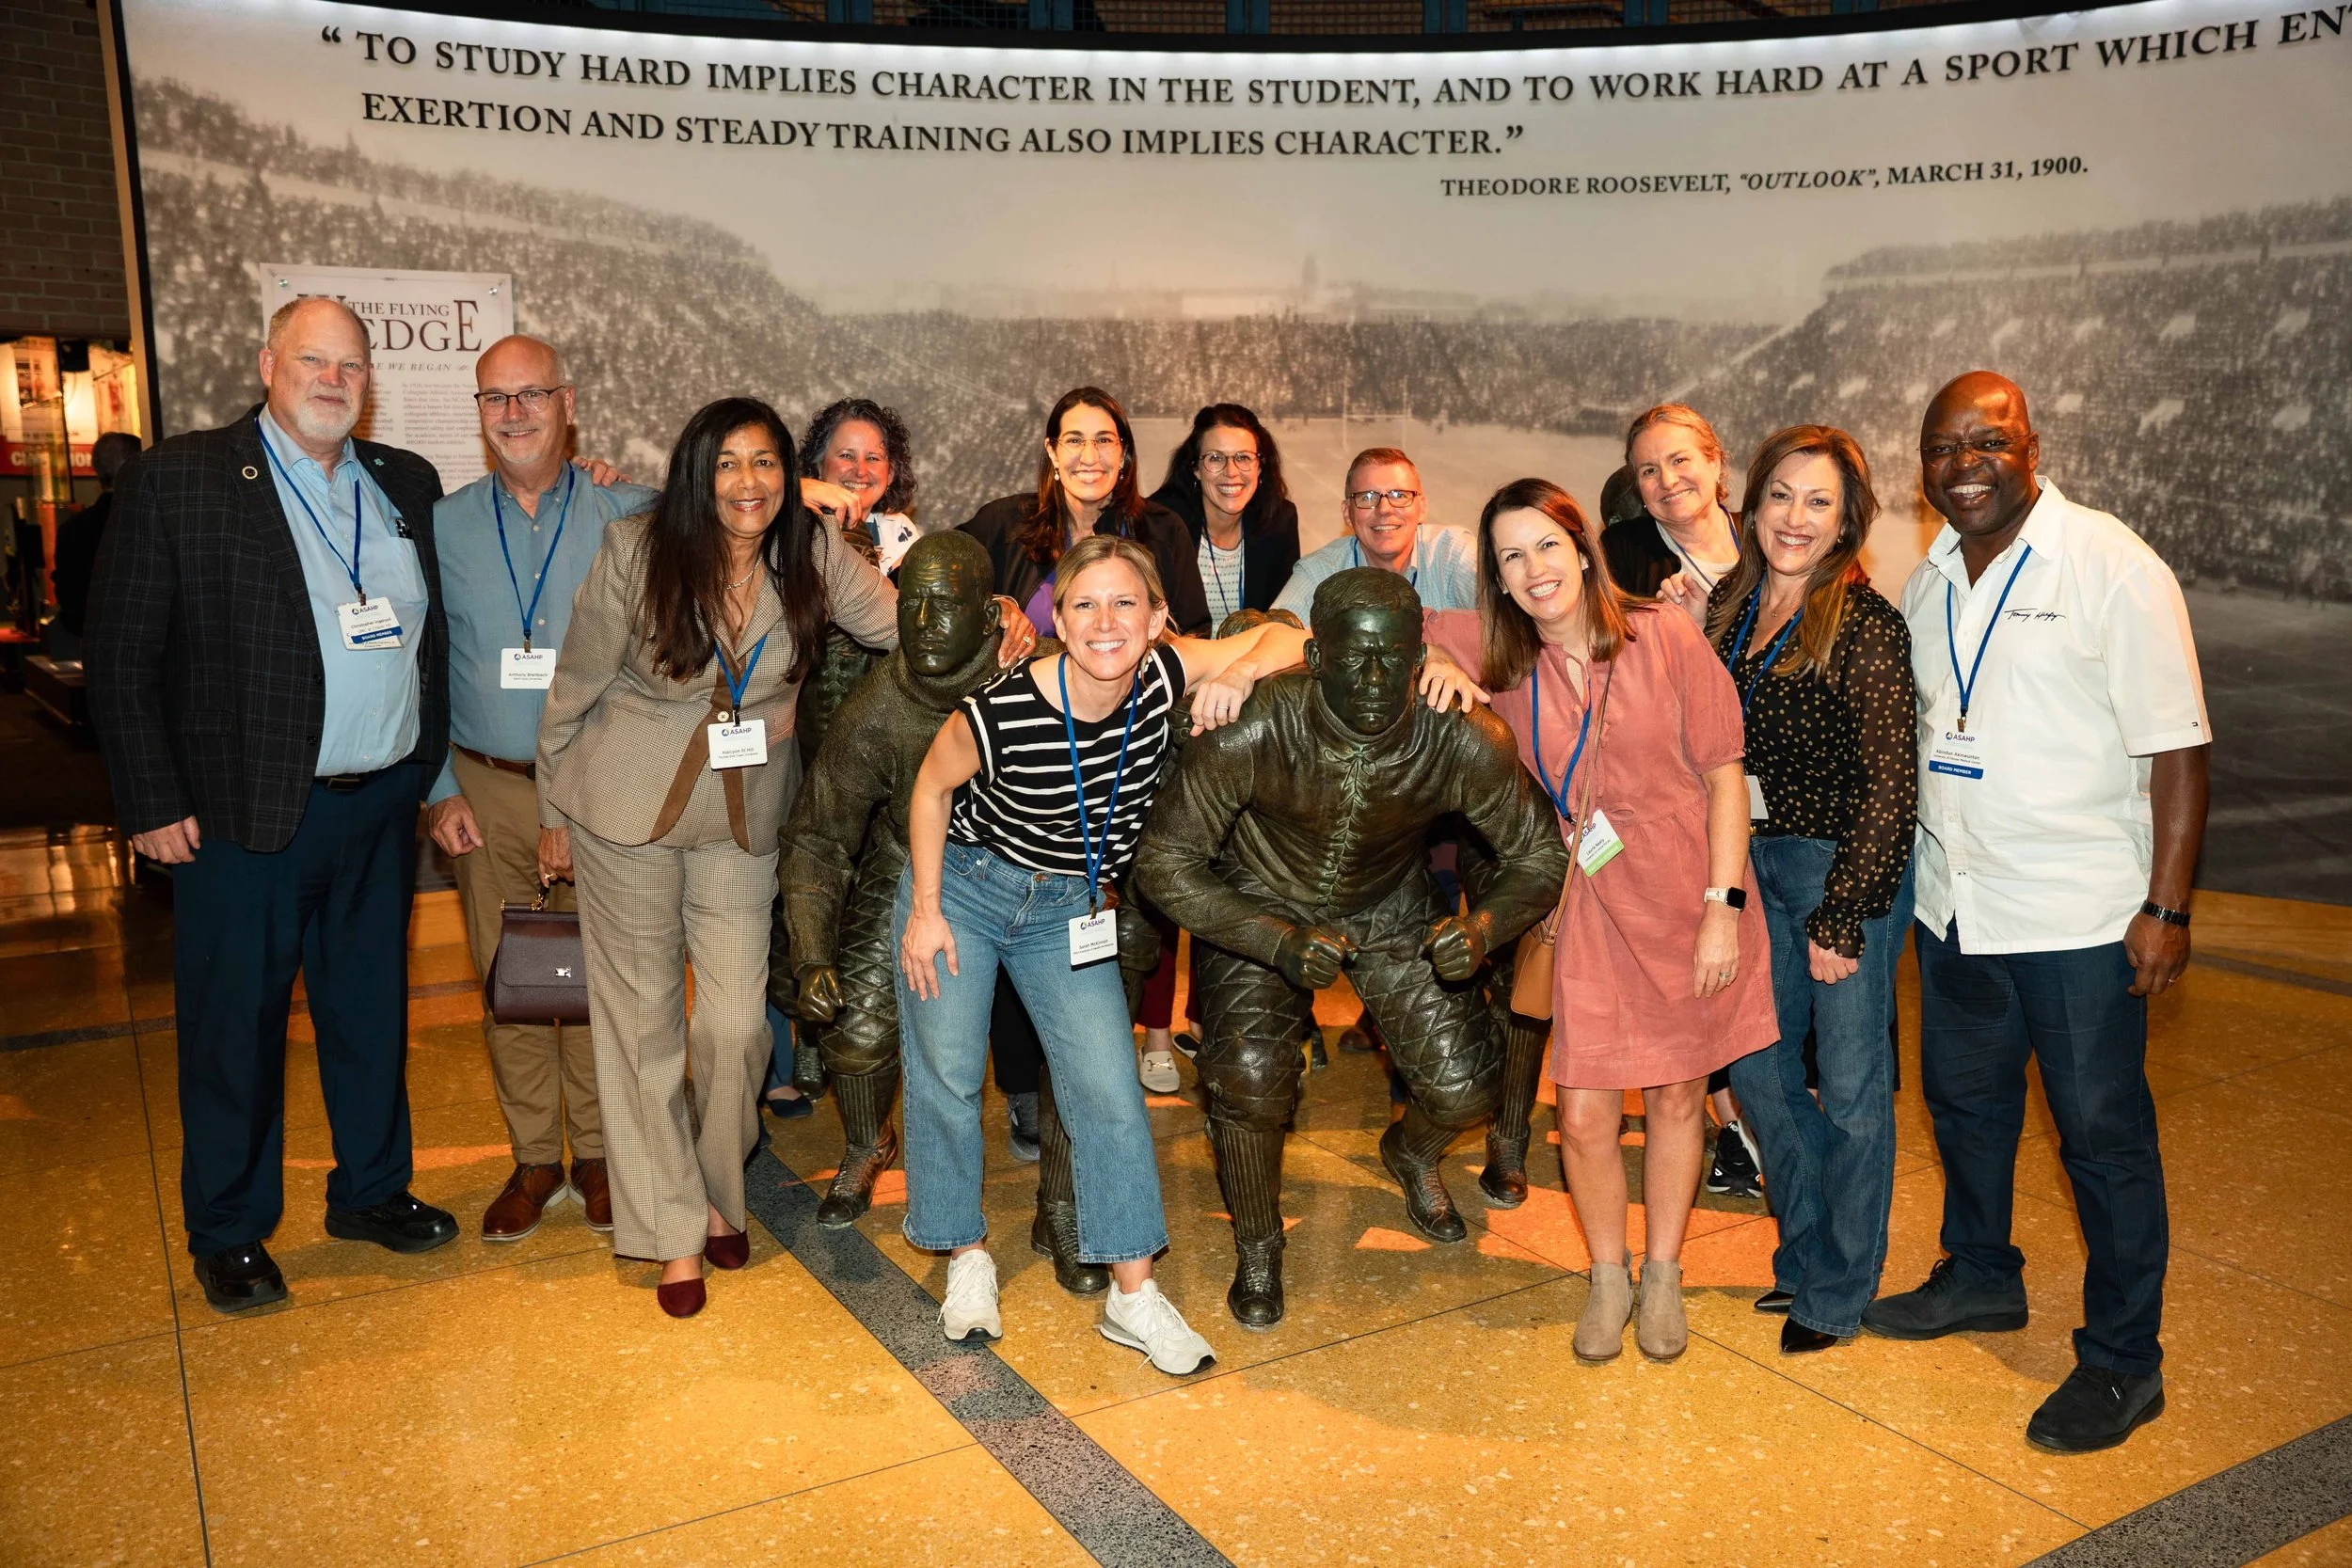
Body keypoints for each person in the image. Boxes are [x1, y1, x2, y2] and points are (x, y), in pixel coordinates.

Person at [86, 297, 457, 1313]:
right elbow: (121, 657)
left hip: (379, 804)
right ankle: (231, 1229)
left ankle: (372, 1190)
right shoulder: (182, 478)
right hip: (241, 815)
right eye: (312, 360)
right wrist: (152, 798)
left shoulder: (403, 483)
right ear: (267, 363)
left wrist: (428, 773)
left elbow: (430, 642)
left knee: (371, 1013)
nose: (333, 380)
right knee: (233, 1028)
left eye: (350, 364)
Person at [1867, 372, 2209, 1456]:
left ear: (2031, 445)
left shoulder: (2110, 563)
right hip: (1956, 901)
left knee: (2102, 1142)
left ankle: (2122, 1359)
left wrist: (2165, 903)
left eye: (1988, 440)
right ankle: (1979, 1274)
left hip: (2075, 916)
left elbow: (2178, 745)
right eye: (1941, 446)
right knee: (1963, 1108)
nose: (1964, 463)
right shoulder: (1924, 583)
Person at [895, 534, 1306, 1374]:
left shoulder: (1162, 675)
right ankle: (966, 1254)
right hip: (967, 889)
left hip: (1067, 909)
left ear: (1158, 618)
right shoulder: (1001, 709)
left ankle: (1131, 1293)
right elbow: (932, 788)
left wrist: (1234, 672)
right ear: (1060, 618)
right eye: (1084, 604)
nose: (1104, 622)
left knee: (1110, 1090)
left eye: (1125, 603)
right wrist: (926, 912)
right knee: (945, 1071)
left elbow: (1294, 638)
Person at [535, 397, 898, 1321]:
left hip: (743, 817)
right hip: (625, 808)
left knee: (736, 1026)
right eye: (728, 463)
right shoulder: (635, 550)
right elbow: (572, 686)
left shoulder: (811, 553)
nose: (748, 482)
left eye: (766, 462)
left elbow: (908, 627)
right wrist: (551, 810)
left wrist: (1010, 627)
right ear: (698, 473)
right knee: (642, 1024)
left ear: (788, 472)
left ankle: (710, 1184)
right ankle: (675, 1228)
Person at [1136, 569, 1563, 1328]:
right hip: (1263, 896)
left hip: (1389, 898)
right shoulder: (1254, 724)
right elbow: (1164, 863)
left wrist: (1482, 927)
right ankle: (1260, 1247)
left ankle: (1410, 1148)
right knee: (1251, 1075)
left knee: (1469, 1085)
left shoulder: (1461, 737)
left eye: (1393, 657)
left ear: (1419, 655)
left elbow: (1538, 855)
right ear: (1315, 654)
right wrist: (1273, 937)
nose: (1373, 678)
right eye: (1354, 656)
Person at [1422, 478, 1774, 1365]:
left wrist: (1721, 911)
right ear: (1497, 580)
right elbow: (1367, 626)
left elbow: (1725, 776)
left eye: (1547, 544)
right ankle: (1606, 1275)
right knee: (1581, 1112)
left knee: (1675, 1096)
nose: (1533, 568)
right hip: (1585, 899)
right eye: (1511, 555)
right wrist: (1432, 660)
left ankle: (1661, 1275)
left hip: (1688, 891)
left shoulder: (1664, 635)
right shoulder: (1503, 659)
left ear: (1581, 550)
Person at [420, 336, 653, 1243]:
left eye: (532, 395)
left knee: (603, 980)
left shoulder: (626, 511)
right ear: (478, 414)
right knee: (507, 976)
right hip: (485, 786)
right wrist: (440, 787)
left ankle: (597, 1154)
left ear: (568, 404)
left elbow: (733, 518)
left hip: (600, 786)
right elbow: (420, 666)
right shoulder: (440, 526)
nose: (513, 413)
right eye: (495, 399)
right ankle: (534, 1157)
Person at [1701, 426, 1917, 1355]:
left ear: (1845, 521)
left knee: (1857, 1089)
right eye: (1782, 495)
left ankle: (1835, 1287)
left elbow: (1889, 782)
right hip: (1751, 871)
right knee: (1757, 1070)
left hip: (1841, 875)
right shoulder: (1725, 604)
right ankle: (1806, 1249)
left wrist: (1843, 913)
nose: (1796, 516)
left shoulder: (1864, 623)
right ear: (1751, 508)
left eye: (1818, 501)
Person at [1610, 406, 1766, 1197]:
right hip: (1695, 803)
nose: (1668, 481)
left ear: (1718, 463)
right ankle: (1733, 1126)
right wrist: (1670, 633)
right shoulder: (1624, 568)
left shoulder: (1779, 536)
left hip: (1790, 800)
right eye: (1648, 470)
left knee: (1774, 986)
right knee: (1704, 969)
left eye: (1681, 461)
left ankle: (1770, 1121)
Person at [961, 387, 1211, 638]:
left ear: (1122, 453)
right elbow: (934, 577)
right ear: (1052, 452)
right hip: (1028, 676)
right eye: (1074, 440)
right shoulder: (1005, 522)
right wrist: (995, 603)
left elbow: (1194, 634)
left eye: (1103, 440)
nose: (1089, 457)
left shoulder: (1165, 531)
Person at [1272, 448, 1480, 621]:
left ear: (1422, 508)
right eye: (1367, 497)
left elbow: (1507, 621)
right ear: (1347, 513)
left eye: (1399, 495)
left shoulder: (1453, 553)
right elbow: (1271, 636)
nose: (1384, 509)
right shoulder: (1320, 571)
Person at [1150, 403, 1302, 627]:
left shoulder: (1280, 520)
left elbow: (1281, 620)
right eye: (1215, 458)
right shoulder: (1159, 523)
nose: (1231, 472)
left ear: (1260, 467)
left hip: (1253, 658)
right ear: (1195, 469)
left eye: (1243, 458)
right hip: (1182, 656)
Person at [50, 430, 144, 650]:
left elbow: (67, 595)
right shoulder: (142, 520)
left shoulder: (71, 529)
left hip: (87, 642)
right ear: (134, 465)